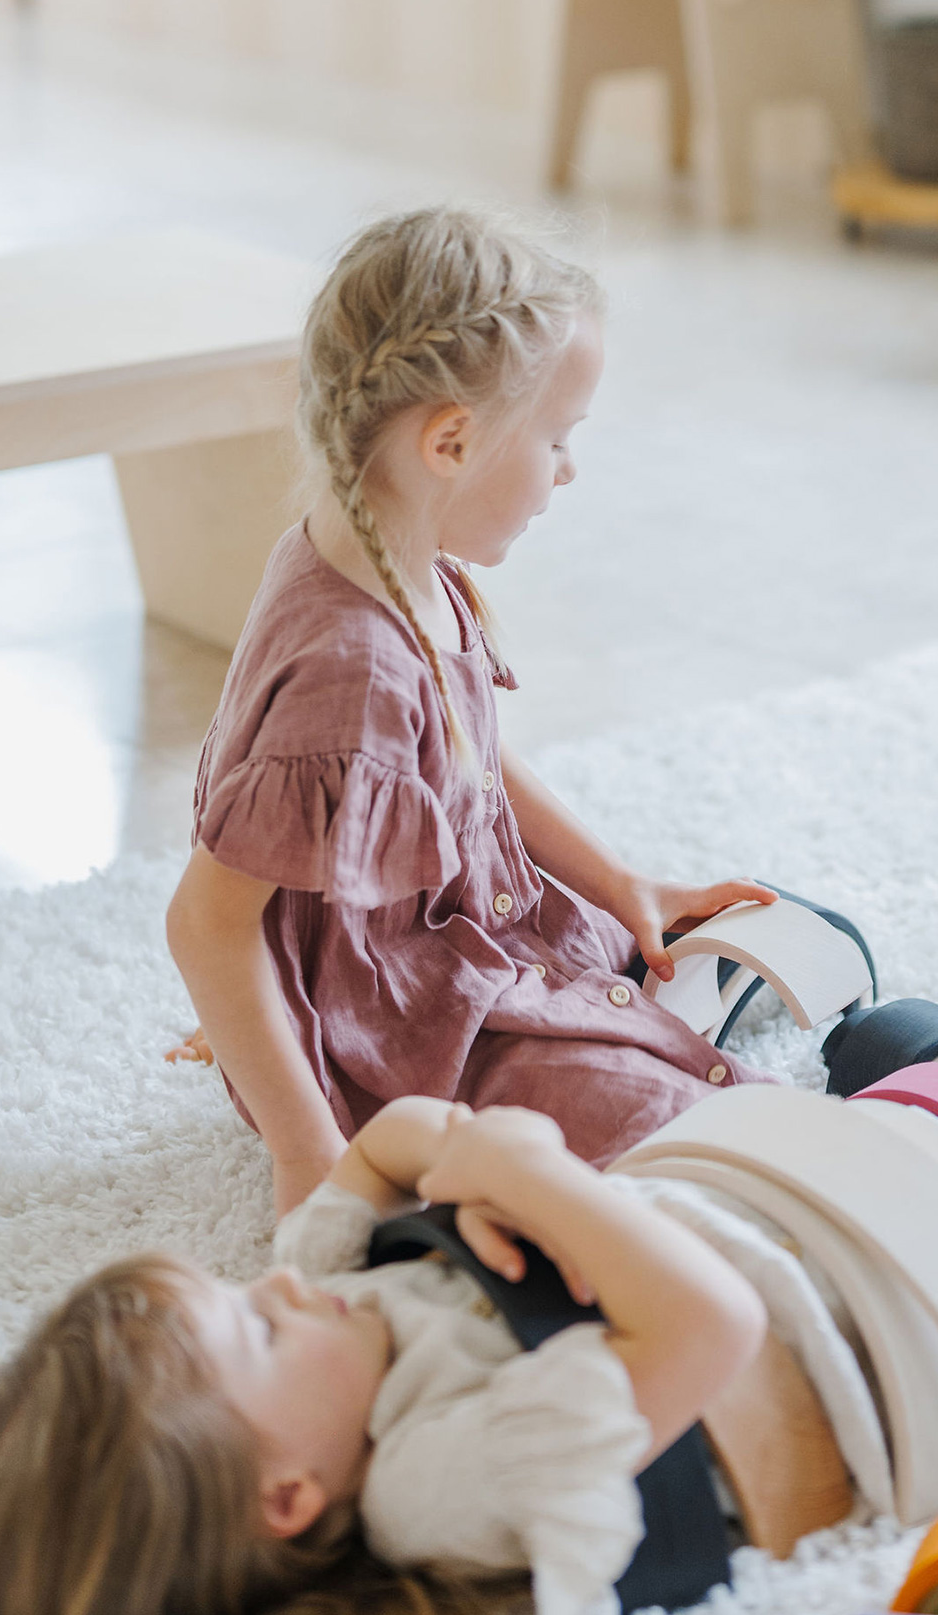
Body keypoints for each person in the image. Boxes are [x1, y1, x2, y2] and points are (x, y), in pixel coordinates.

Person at [0, 848, 938, 1615]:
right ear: (287, 1497)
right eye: (250, 1339)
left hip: (808, 1180)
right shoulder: (447, 1482)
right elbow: (710, 1326)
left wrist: (442, 1146)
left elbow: (381, 1146)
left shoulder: (326, 1302)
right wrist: (524, 1168)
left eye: (238, 1299)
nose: (268, 1291)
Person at [164, 206, 777, 1218]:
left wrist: (623, 883)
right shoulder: (350, 667)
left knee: (758, 946)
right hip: (404, 1036)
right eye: (558, 439)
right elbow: (204, 923)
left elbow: (469, 761)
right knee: (686, 1137)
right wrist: (307, 1152)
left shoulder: (393, 558)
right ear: (450, 440)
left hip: (483, 936)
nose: (567, 471)